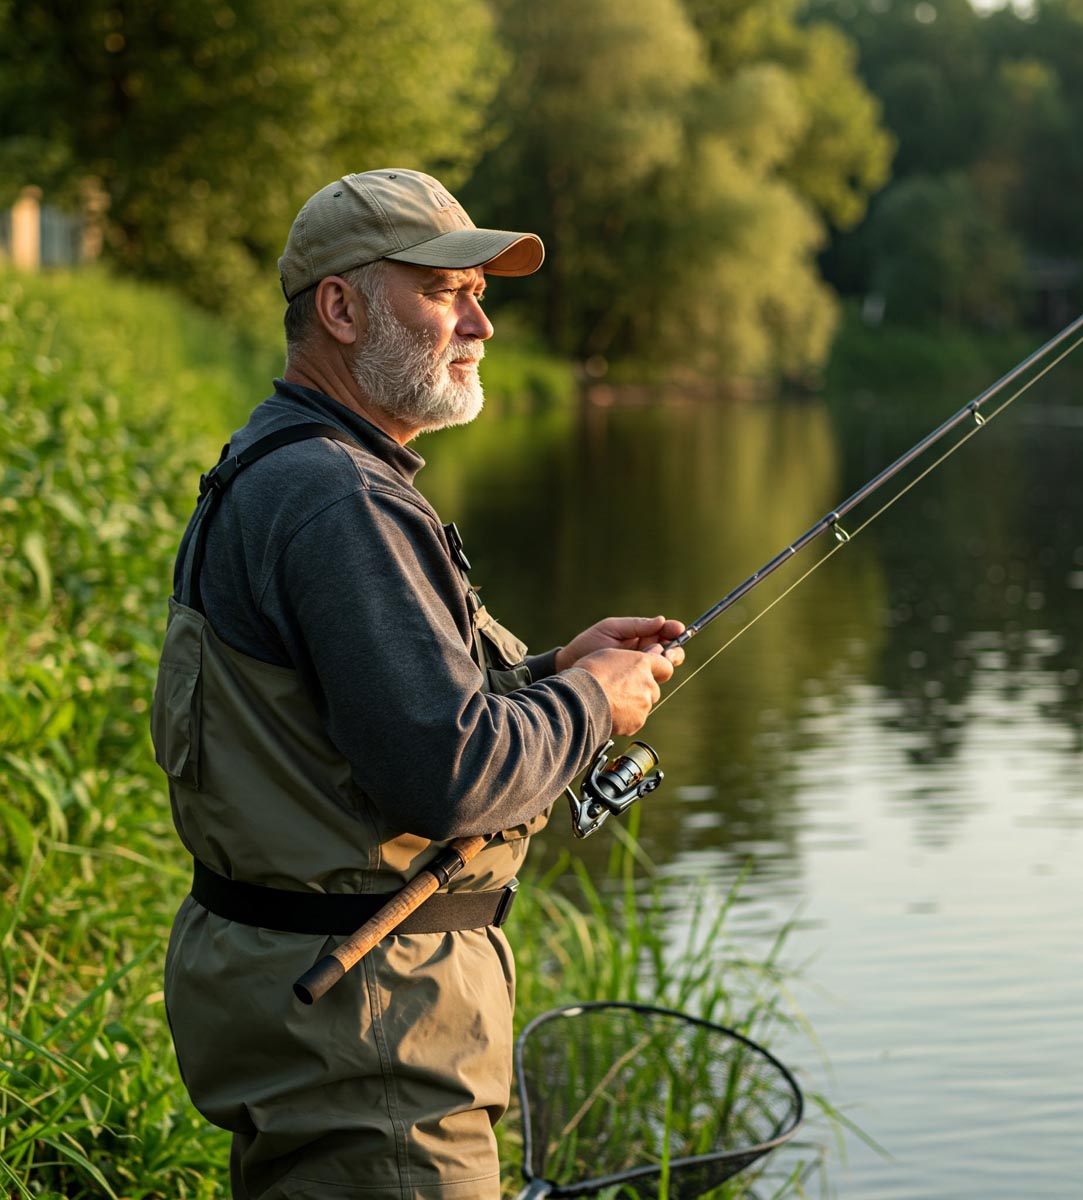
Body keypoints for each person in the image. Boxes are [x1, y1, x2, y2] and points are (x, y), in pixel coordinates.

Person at [150, 168, 685, 1199]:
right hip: (375, 1048)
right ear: (341, 308)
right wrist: (593, 706)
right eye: (445, 292)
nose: (480, 323)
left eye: (480, 293)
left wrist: (546, 673)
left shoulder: (286, 464)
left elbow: (344, 715)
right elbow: (450, 771)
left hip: (316, 1020)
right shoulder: (340, 500)